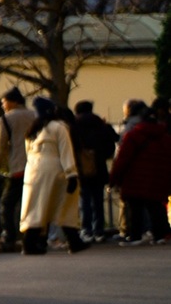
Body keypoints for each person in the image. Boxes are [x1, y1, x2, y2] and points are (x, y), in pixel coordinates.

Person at [19, 97, 88, 254]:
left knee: (37, 207)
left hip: (33, 170)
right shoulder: (59, 127)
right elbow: (65, 151)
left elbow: (27, 152)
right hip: (56, 170)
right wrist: (71, 173)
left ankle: (29, 243)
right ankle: (74, 240)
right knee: (65, 204)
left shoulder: (32, 130)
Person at [111, 97, 171, 245]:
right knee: (156, 207)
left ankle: (135, 236)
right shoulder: (165, 137)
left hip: (135, 178)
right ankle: (160, 235)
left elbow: (123, 159)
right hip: (158, 178)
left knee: (135, 208)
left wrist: (114, 179)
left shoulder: (133, 135)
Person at [0, 87, 35, 245]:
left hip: (18, 166)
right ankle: (33, 236)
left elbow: (0, 147)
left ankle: (9, 235)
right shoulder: (35, 116)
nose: (3, 106)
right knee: (32, 203)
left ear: (13, 101)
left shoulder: (7, 119)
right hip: (36, 166)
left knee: (7, 203)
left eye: (4, 102)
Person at [69, 100, 119, 240]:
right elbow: (113, 142)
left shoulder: (74, 126)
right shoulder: (101, 125)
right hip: (99, 167)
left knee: (84, 200)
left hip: (80, 167)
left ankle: (86, 229)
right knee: (98, 200)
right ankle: (99, 229)